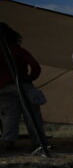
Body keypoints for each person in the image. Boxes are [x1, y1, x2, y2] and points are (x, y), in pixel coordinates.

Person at [0, 23, 48, 155]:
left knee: (9, 115)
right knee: (31, 115)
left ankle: (8, 142)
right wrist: (29, 78)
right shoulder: (17, 50)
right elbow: (35, 66)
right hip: (22, 84)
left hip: (3, 87)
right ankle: (39, 142)